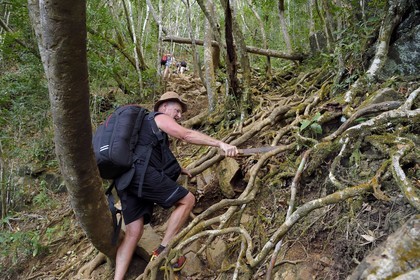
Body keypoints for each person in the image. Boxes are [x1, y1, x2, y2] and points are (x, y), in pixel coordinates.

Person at [113, 91, 238, 280]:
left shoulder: (144, 130)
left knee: (134, 232)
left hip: (125, 179)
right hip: (142, 174)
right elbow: (185, 135)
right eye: (177, 110)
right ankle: (163, 251)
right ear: (163, 106)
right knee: (187, 199)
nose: (179, 116)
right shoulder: (159, 117)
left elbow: (155, 154)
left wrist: (179, 169)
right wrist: (220, 143)